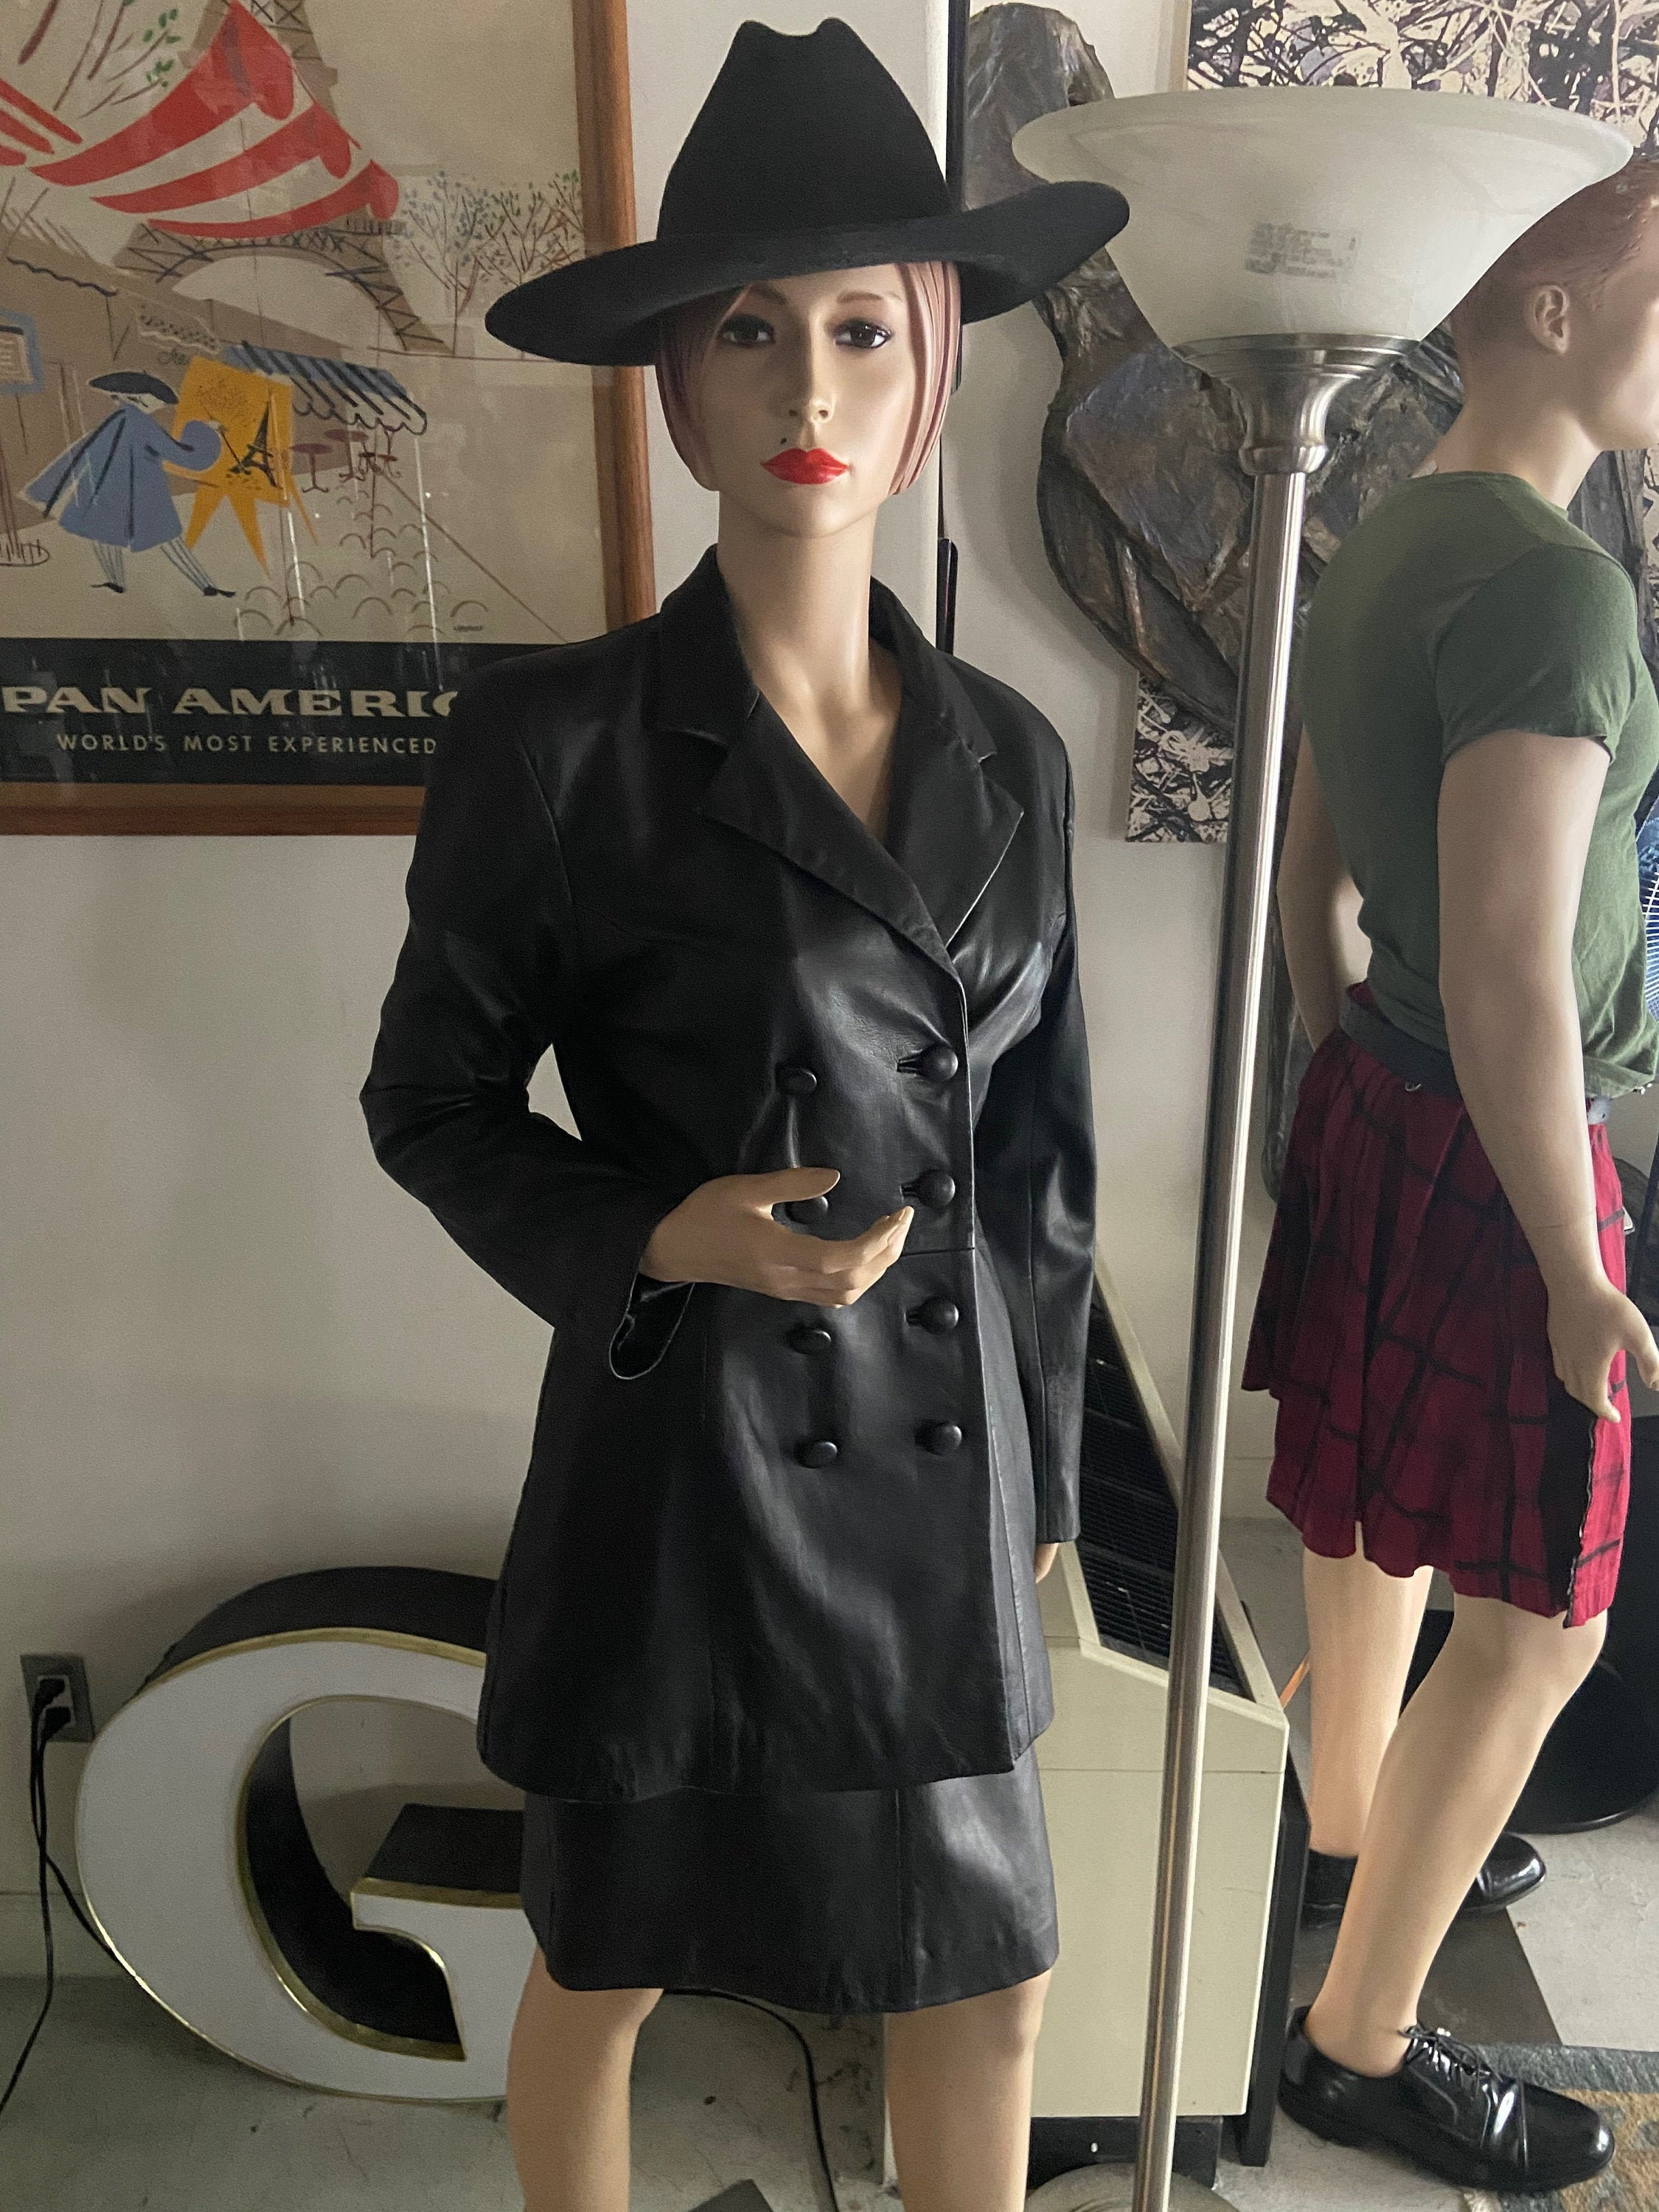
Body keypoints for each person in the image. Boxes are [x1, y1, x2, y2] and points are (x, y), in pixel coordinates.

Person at [360, 22, 1125, 2212]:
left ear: (936, 367)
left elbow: (1037, 1161)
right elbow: (431, 1100)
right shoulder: (557, 748)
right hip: (689, 1477)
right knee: (605, 1959)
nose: (809, 387)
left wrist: (1048, 1462)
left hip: (944, 1483)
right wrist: (658, 1231)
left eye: (862, 331)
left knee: (991, 1978)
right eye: (749, 332)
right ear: (678, 388)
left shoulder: (1008, 753)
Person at [1248, 153, 1659, 2194]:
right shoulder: (1553, 590)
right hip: (1511, 1153)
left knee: (1370, 1524)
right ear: (1556, 311)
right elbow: (1513, 972)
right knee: (1541, 1627)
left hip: (1388, 1096)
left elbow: (1311, 863)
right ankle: (1361, 2041)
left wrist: (1338, 1053)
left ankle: (1353, 1833)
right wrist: (1574, 1263)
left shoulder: (1388, 524)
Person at [23, 370, 234, 596]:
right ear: (138, 397)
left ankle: (116, 581)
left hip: (103, 489)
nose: (161, 405)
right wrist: (205, 432)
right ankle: (206, 585)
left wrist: (49, 487)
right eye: (157, 400)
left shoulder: (116, 420)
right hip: (142, 492)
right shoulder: (141, 424)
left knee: (103, 536)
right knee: (168, 539)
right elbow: (183, 456)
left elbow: (81, 452)